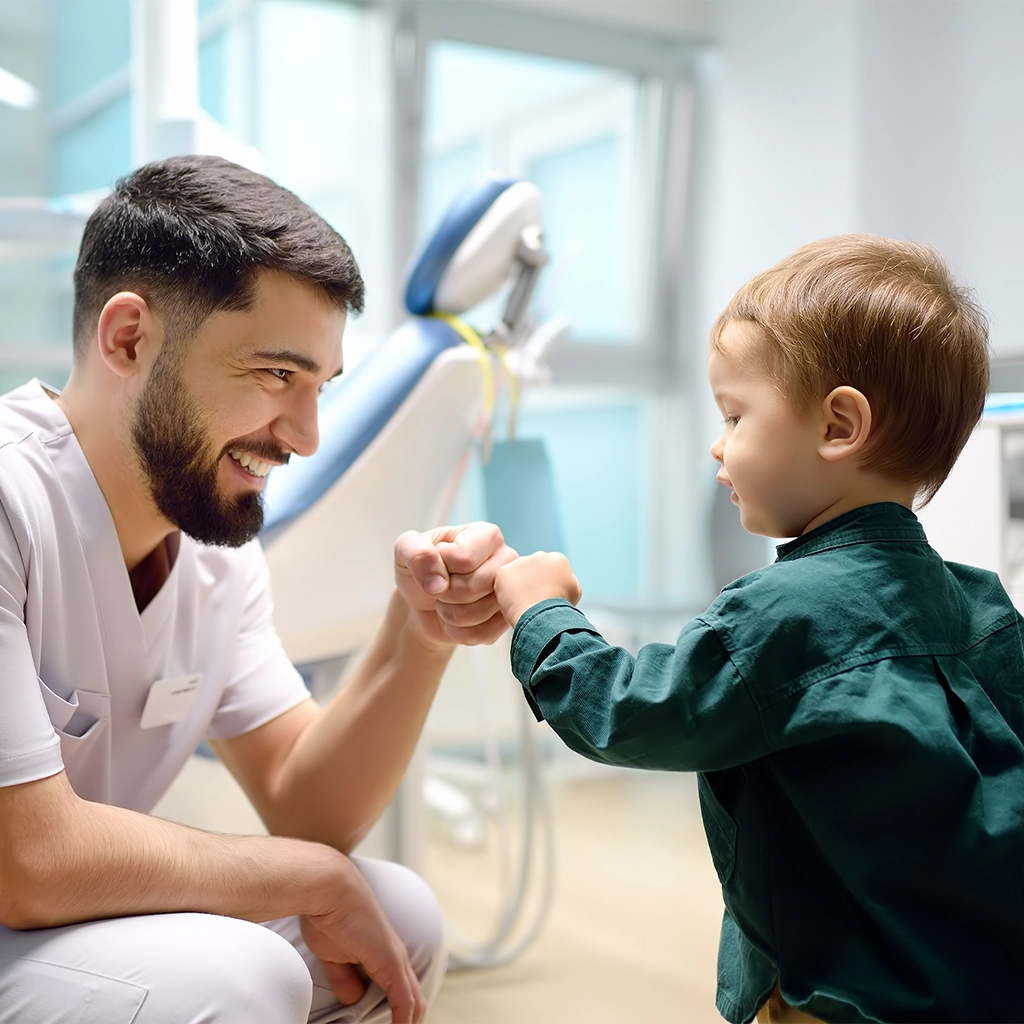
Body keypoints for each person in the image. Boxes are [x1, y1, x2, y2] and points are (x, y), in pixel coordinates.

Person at [0, 155, 515, 1024]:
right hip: (19, 891)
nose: (307, 438)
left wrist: (418, 634)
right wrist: (307, 875)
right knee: (244, 975)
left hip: (42, 919)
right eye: (277, 375)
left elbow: (309, 803)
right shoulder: (13, 504)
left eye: (320, 388)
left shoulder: (212, 550)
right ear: (129, 339)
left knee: (402, 918)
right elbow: (30, 860)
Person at [493, 235, 1024, 1022]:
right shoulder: (981, 606)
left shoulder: (781, 614)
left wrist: (541, 612)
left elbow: (627, 711)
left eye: (736, 415)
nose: (719, 442)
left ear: (840, 425)